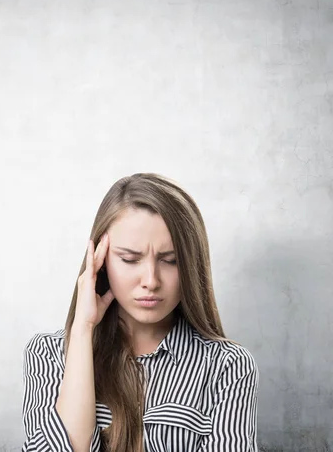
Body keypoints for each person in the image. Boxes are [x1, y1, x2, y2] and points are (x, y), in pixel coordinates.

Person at [20, 173, 259, 452]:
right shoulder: (47, 354)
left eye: (170, 261)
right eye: (130, 259)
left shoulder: (227, 367)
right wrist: (83, 330)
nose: (151, 280)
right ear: (100, 261)